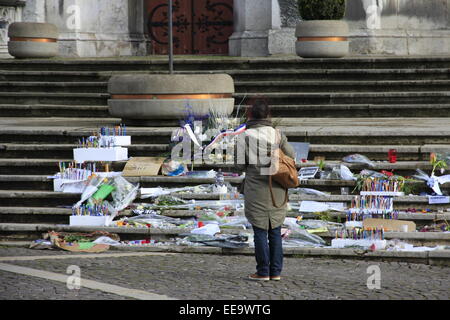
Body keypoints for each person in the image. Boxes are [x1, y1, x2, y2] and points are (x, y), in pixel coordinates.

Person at [235, 99, 295, 281]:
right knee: (275, 230)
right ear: (268, 115)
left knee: (260, 231)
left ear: (250, 115)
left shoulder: (244, 136)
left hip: (255, 189)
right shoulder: (277, 135)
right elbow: (291, 155)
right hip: (276, 187)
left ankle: (262, 272)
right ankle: (275, 272)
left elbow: (239, 165)